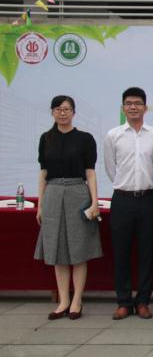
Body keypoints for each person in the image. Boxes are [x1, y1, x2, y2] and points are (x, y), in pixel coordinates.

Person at [34, 95, 102, 320]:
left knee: (79, 249)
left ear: (74, 112)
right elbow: (43, 173)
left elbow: (90, 172)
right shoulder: (46, 138)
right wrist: (40, 205)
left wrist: (94, 202)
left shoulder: (85, 139)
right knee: (57, 249)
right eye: (58, 109)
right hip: (53, 193)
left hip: (77, 192)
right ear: (52, 112)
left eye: (66, 109)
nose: (62, 113)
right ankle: (63, 300)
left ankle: (77, 301)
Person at [103, 87, 153, 320]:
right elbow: (111, 168)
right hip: (122, 199)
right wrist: (125, 185)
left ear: (145, 108)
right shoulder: (113, 135)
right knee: (121, 252)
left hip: (148, 199)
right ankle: (124, 302)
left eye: (138, 103)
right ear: (122, 108)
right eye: (128, 103)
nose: (133, 107)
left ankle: (143, 301)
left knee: (147, 252)